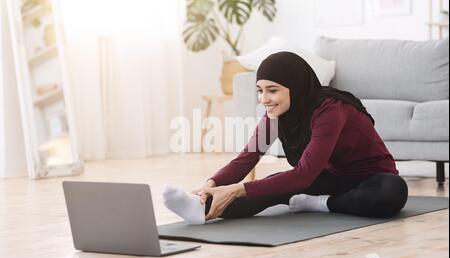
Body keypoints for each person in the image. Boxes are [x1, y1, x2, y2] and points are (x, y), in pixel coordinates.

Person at [163, 51, 408, 225]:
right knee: (269, 185)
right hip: (331, 178)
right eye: (260, 91)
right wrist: (212, 185)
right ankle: (198, 208)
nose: (264, 99)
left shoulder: (330, 109)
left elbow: (305, 174)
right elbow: (246, 159)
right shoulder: (277, 114)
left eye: (272, 90)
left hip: (371, 180)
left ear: (296, 87)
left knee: (393, 192)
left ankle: (320, 203)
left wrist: (238, 189)